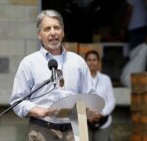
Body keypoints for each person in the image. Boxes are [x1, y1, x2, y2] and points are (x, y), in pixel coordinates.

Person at [10, 9, 100, 141]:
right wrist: (39, 110)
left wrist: (91, 108)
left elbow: (89, 95)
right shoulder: (29, 63)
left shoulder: (78, 62)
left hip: (74, 131)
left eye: (56, 28)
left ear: (63, 32)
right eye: (47, 29)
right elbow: (17, 101)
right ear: (39, 34)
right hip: (41, 130)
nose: (53, 32)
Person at [85, 50, 116, 141]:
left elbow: (111, 101)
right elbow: (78, 100)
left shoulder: (105, 79)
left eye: (94, 60)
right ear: (85, 62)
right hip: (86, 121)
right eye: (89, 60)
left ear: (98, 62)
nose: (92, 62)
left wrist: (101, 114)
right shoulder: (81, 80)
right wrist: (89, 115)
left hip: (103, 120)